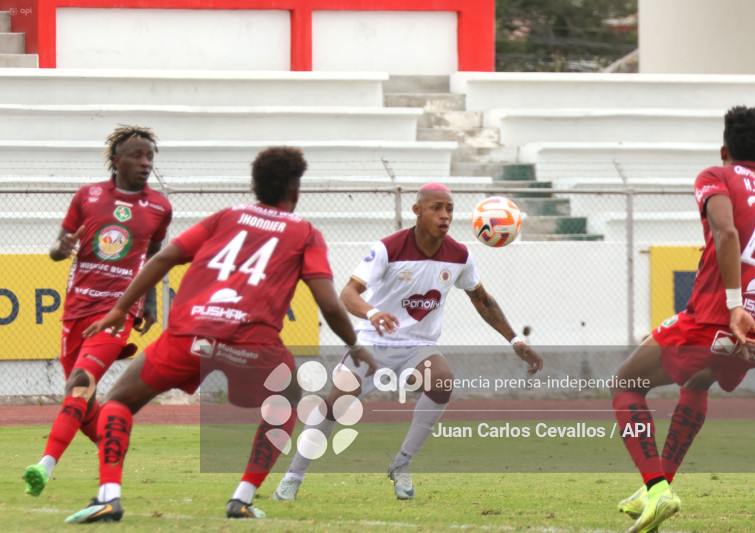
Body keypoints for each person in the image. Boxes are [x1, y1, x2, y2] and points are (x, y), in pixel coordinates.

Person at [63, 146, 376, 523]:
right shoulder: (305, 233)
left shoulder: (226, 216)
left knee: (118, 401)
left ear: (256, 185)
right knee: (287, 401)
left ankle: (108, 496)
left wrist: (118, 308)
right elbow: (327, 302)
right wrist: (355, 344)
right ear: (294, 188)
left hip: (187, 335)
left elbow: (162, 258)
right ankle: (242, 498)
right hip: (252, 345)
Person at [273, 182, 544, 502]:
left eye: (450, 209)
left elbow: (482, 300)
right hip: (374, 342)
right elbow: (348, 293)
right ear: (417, 211)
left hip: (419, 346)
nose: (445, 215)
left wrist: (514, 339)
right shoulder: (389, 248)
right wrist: (372, 313)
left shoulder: (459, 255)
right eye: (437, 208)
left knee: (442, 382)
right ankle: (293, 476)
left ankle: (401, 464)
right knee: (336, 404)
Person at [611, 106, 755, 533]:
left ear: (724, 148)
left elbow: (726, 232)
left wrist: (736, 304)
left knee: (626, 384)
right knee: (696, 383)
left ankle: (657, 489)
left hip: (720, 318)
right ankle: (655, 490)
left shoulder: (717, 176)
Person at [24, 126, 172, 498]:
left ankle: (45, 464)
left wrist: (148, 303)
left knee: (80, 383)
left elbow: (154, 259)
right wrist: (64, 246)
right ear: (116, 159)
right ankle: (113, 451)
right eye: (137, 156)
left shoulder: (159, 207)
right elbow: (57, 251)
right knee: (86, 404)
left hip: (117, 312)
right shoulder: (87, 197)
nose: (145, 163)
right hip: (77, 311)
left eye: (149, 157)